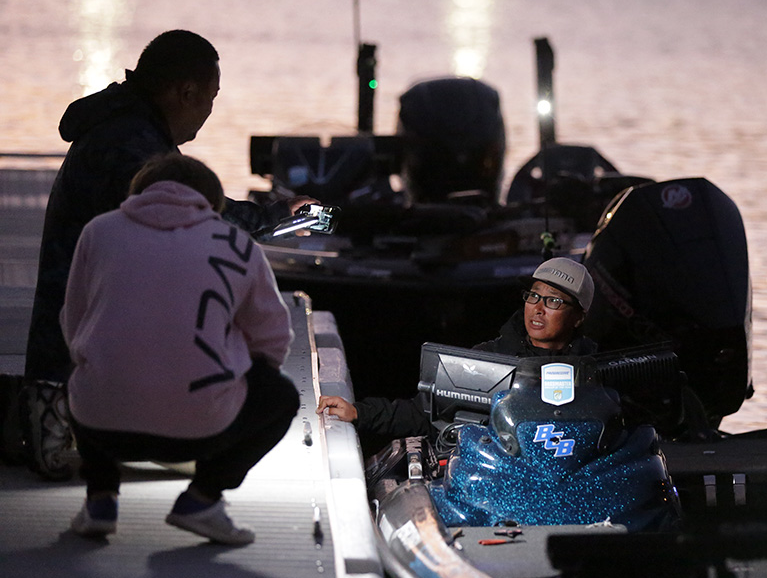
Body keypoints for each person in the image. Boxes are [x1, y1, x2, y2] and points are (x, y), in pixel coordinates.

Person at [20, 29, 311, 479]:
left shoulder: (125, 125)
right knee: (272, 398)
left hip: (84, 345)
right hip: (69, 370)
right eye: (211, 98)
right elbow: (190, 210)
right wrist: (270, 218)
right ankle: (57, 423)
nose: (209, 112)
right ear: (186, 92)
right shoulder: (129, 143)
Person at [62, 153, 299, 545]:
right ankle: (203, 498)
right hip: (202, 432)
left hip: (101, 427)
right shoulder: (238, 244)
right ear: (212, 200)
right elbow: (273, 339)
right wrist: (234, 368)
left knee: (86, 369)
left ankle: (100, 499)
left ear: (140, 190)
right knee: (283, 397)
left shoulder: (99, 231)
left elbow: (74, 321)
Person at [317, 257, 597, 442]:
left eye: (553, 301)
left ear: (579, 317)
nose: (537, 308)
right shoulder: (487, 360)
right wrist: (360, 412)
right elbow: (424, 413)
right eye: (533, 296)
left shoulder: (597, 372)